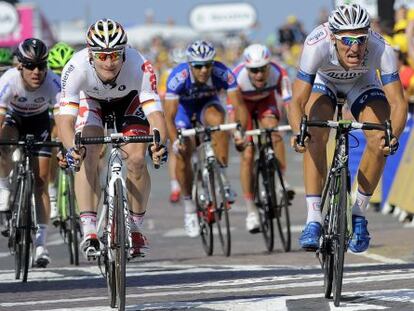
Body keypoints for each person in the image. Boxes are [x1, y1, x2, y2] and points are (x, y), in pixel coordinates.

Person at [288, 4, 407, 253]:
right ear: (333, 37)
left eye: (361, 39)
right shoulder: (315, 44)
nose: (355, 47)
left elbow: (398, 102)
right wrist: (298, 131)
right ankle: (314, 218)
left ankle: (358, 214)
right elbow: (297, 100)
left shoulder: (381, 48)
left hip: (362, 84)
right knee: (314, 133)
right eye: (347, 40)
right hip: (325, 82)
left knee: (379, 138)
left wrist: (391, 137)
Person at [57, 19, 167, 258]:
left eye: (115, 55)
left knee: (137, 158)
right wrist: (70, 148)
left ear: (124, 53)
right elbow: (65, 120)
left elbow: (156, 115)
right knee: (87, 151)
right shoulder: (75, 68)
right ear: (90, 55)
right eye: (102, 56)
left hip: (129, 102)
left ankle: (134, 226)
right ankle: (89, 230)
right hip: (92, 101)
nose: (109, 62)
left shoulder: (141, 65)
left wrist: (159, 144)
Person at [164, 40, 247, 238]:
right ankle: (189, 208)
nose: (204, 70)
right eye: (198, 66)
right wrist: (176, 141)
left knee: (219, 122)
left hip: (207, 106)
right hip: (183, 111)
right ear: (190, 65)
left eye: (208, 65)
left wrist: (240, 132)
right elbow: (168, 116)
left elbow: (239, 106)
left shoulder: (222, 73)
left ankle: (223, 180)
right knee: (184, 152)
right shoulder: (178, 77)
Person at [0, 38, 61, 267]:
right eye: (30, 66)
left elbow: (63, 118)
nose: (36, 71)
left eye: (41, 66)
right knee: (4, 143)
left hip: (39, 122)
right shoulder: (8, 80)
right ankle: (4, 186)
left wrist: (65, 145)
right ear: (20, 66)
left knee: (41, 181)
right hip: (13, 119)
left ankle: (42, 244)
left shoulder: (54, 83)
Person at [232, 44, 293, 233]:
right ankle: (251, 210)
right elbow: (232, 110)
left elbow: (289, 104)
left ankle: (280, 182)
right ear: (247, 69)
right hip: (243, 107)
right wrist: (237, 134)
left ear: (269, 66)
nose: (259, 75)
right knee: (248, 154)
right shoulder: (236, 78)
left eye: (263, 69)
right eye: (254, 71)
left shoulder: (279, 73)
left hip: (266, 103)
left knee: (274, 132)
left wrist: (297, 130)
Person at [47, 42, 75, 223]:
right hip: (50, 116)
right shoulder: (48, 82)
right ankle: (52, 194)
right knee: (49, 147)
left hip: (72, 116)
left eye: (64, 70)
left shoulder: (77, 80)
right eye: (56, 70)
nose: (60, 75)